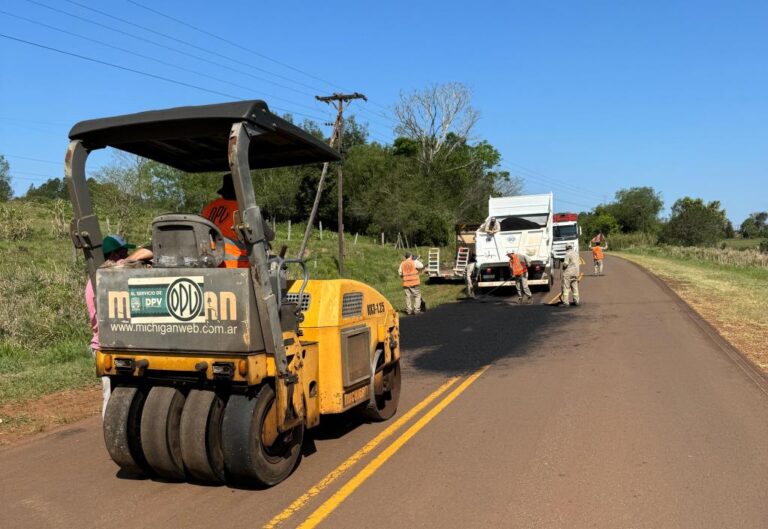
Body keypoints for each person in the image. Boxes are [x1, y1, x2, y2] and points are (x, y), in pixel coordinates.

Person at [85, 235, 153, 417]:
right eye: (124, 252)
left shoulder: (96, 279)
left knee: (116, 394)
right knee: (113, 396)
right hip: (111, 345)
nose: (128, 254)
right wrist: (132, 261)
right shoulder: (112, 278)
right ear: (115, 255)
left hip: (104, 343)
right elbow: (150, 250)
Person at [201, 173, 250, 268]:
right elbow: (269, 235)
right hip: (234, 265)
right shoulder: (242, 208)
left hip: (207, 260)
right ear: (240, 192)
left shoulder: (209, 207)